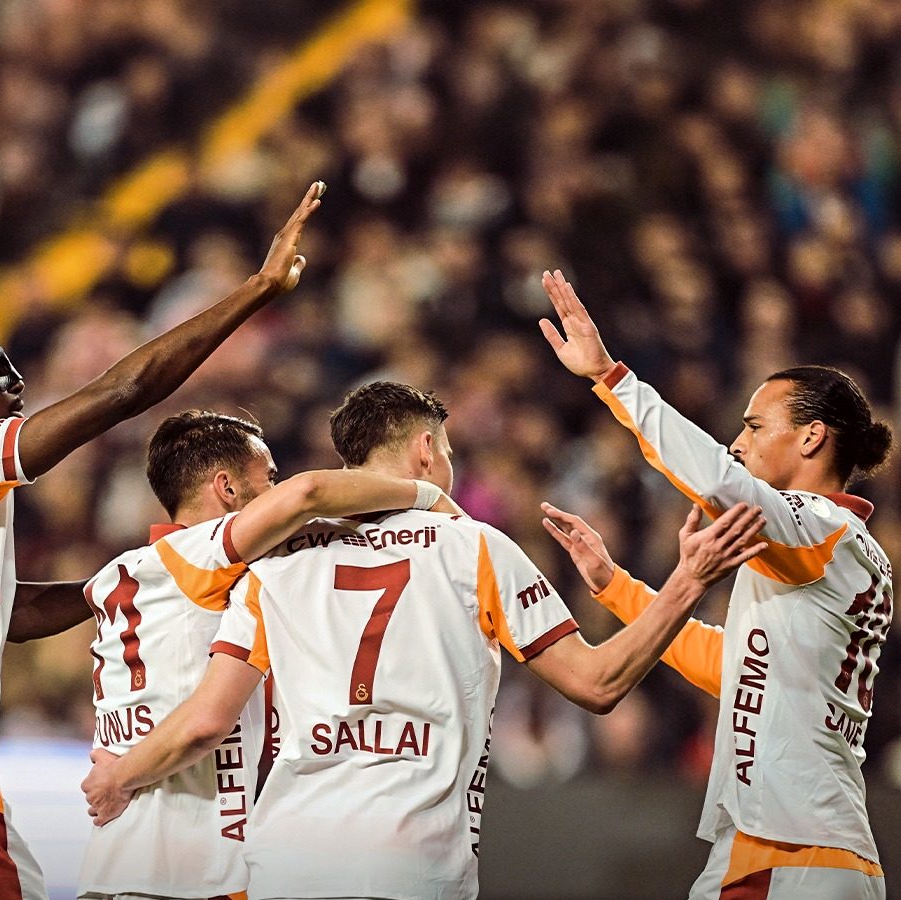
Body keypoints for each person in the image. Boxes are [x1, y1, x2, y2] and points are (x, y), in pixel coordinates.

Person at [0, 182, 325, 900]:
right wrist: (256, 291)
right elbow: (123, 392)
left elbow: (9, 614)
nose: (15, 384)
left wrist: (127, 588)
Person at [82, 380, 767, 900]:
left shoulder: (273, 566)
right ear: (426, 450)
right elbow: (597, 683)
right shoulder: (475, 548)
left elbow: (207, 716)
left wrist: (120, 774)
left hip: (284, 862)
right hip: (410, 861)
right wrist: (687, 581)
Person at [538, 268, 893, 899]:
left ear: (812, 437)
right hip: (788, 848)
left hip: (791, 853)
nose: (737, 442)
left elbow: (719, 483)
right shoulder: (824, 549)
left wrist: (611, 378)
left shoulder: (824, 529)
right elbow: (735, 667)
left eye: (754, 427)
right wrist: (617, 586)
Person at [78, 408, 457, 899]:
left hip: (117, 856)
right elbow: (309, 493)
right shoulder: (201, 556)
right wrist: (426, 495)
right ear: (227, 488)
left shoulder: (119, 574)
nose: (277, 491)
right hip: (189, 865)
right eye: (269, 479)